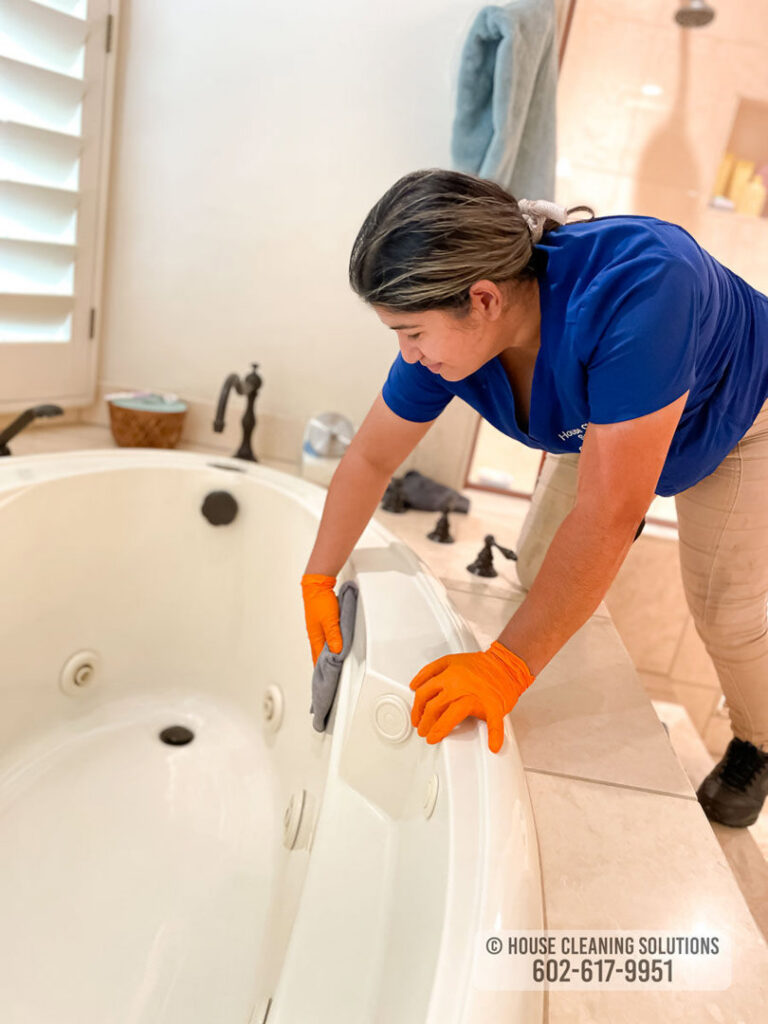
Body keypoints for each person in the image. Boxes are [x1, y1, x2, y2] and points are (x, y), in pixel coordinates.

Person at [301, 168, 768, 829]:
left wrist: (505, 669)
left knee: (724, 608)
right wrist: (318, 572)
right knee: (541, 562)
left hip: (743, 416)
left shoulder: (642, 288)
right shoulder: (452, 341)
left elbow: (609, 513)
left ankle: (758, 741)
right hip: (615, 413)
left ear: (485, 299)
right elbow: (372, 457)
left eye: (412, 332)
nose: (408, 354)